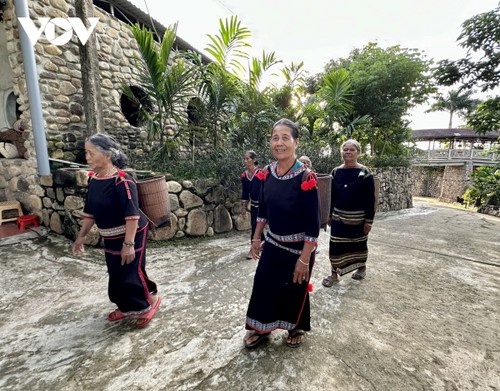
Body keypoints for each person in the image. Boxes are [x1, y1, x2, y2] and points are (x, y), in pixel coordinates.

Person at [243, 119, 320, 349]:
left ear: (296, 142)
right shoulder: (266, 173)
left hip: (299, 249)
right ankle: (261, 327)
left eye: (285, 138)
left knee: (295, 289)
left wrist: (304, 259)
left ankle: (295, 326)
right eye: (275, 138)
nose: (279, 143)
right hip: (273, 243)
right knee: (263, 284)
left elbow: (313, 226)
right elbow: (263, 211)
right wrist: (256, 238)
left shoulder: (306, 178)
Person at [72, 134, 161, 328]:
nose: (87, 157)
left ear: (108, 155)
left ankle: (145, 306)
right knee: (115, 272)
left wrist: (128, 245)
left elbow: (132, 215)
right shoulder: (94, 180)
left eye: (91, 153)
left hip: (132, 234)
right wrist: (80, 238)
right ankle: (126, 306)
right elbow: (90, 213)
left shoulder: (122, 181)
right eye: (86, 152)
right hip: (111, 236)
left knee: (129, 272)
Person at [322, 139, 375, 287]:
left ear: (358, 152)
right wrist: (329, 215)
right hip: (339, 218)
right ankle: (334, 275)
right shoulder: (336, 172)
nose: (348, 152)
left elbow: (370, 198)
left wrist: (369, 220)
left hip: (358, 219)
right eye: (345, 149)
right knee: (335, 246)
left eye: (352, 149)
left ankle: (361, 267)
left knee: (358, 244)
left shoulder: (364, 172)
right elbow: (332, 196)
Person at [241, 150, 265, 259]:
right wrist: (243, 207)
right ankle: (261, 244)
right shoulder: (244, 176)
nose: (245, 161)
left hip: (264, 205)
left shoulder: (261, 174)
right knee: (255, 226)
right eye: (244, 159)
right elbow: (245, 192)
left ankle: (254, 249)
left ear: (254, 160)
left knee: (257, 226)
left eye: (248, 158)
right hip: (254, 205)